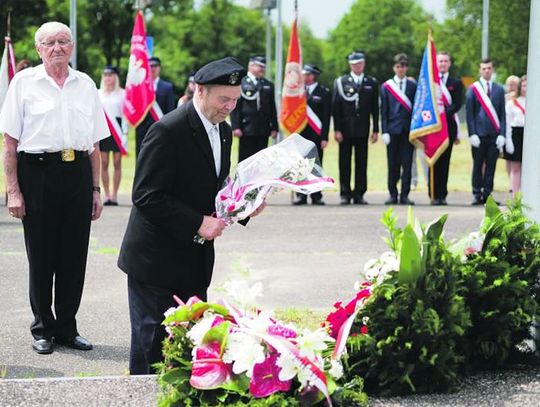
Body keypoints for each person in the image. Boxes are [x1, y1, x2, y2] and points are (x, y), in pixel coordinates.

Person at [118, 57, 264, 375]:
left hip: (193, 259)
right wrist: (198, 222)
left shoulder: (223, 132)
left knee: (188, 345)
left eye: (235, 100)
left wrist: (245, 206)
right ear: (199, 90)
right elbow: (145, 195)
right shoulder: (168, 130)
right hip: (155, 262)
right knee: (153, 348)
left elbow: (212, 187)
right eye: (223, 99)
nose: (229, 107)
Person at [0, 21, 109, 355]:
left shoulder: (85, 84)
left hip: (76, 172)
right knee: (42, 255)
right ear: (38, 48)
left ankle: (67, 328)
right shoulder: (23, 83)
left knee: (74, 256)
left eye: (64, 41)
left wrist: (95, 189)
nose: (58, 48)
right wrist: (13, 190)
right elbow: (9, 143)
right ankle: (43, 328)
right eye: (50, 42)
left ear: (72, 46)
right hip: (38, 174)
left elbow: (94, 145)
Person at [332, 51, 379, 205]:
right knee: (344, 162)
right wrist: (337, 129)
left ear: (364, 64)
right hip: (345, 130)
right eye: (354, 64)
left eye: (359, 63)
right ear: (350, 65)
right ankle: (345, 194)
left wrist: (376, 129)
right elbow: (336, 107)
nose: (357, 66)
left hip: (363, 129)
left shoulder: (371, 82)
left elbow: (374, 108)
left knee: (362, 162)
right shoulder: (341, 81)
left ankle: (359, 193)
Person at [466, 58, 506, 205]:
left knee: (491, 166)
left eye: (489, 68)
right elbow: (470, 114)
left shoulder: (499, 89)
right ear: (480, 70)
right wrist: (472, 133)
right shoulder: (473, 89)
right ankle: (476, 194)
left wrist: (502, 134)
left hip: (494, 136)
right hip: (479, 135)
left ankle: (488, 195)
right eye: (484, 68)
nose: (487, 71)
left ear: (492, 69)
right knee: (477, 166)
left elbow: (502, 114)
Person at [380, 53, 417, 205]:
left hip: (408, 131)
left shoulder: (413, 85)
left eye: (403, 66)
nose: (401, 69)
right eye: (398, 66)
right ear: (394, 67)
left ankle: (405, 195)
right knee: (392, 164)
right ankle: (392, 194)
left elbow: (416, 108)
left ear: (406, 68)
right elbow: (384, 111)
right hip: (392, 130)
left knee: (407, 164)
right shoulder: (386, 87)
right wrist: (385, 131)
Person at [293, 64, 331, 205]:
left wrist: (325, 137)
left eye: (308, 74)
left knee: (316, 165)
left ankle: (316, 195)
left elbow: (326, 117)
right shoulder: (297, 92)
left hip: (317, 134)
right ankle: (301, 195)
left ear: (314, 75)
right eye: (304, 74)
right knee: (300, 164)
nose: (305, 77)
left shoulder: (324, 92)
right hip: (300, 135)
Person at [429, 51, 463, 205]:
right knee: (433, 160)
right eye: (440, 61)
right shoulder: (430, 81)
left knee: (445, 161)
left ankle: (442, 195)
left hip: (448, 126)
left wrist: (442, 115)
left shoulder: (455, 83)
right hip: (433, 128)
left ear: (449, 63)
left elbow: (457, 104)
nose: (442, 64)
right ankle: (433, 194)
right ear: (435, 63)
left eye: (445, 61)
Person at [230, 55, 278, 162]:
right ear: (251, 66)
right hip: (246, 129)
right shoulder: (241, 82)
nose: (263, 69)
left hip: (263, 129)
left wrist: (275, 127)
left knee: (261, 159)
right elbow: (236, 107)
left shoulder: (268, 84)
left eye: (264, 67)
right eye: (260, 66)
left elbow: (272, 107)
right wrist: (235, 127)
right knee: (245, 159)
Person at [135, 56, 176, 156]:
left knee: (160, 155)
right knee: (142, 155)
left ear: (159, 68)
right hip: (142, 128)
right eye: (150, 66)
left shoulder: (167, 87)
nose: (153, 68)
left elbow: (170, 110)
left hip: (161, 127)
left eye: (155, 66)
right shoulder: (140, 86)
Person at [98, 65, 126, 206]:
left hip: (118, 130)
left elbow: (125, 115)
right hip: (104, 130)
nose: (108, 78)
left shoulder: (122, 93)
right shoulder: (98, 93)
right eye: (106, 75)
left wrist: (125, 134)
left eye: (111, 75)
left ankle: (115, 195)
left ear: (115, 77)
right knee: (103, 163)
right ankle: (107, 194)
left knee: (116, 163)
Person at [504, 75, 526, 196]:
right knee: (515, 166)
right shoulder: (512, 102)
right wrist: (508, 140)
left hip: (530, 134)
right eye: (523, 85)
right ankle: (516, 194)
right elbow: (507, 122)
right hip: (516, 133)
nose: (525, 88)